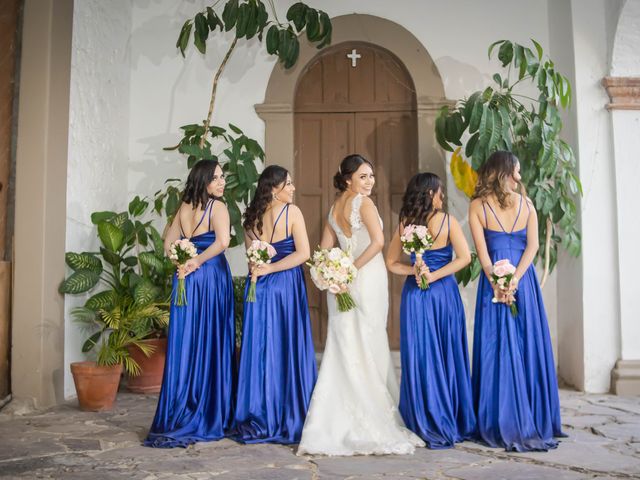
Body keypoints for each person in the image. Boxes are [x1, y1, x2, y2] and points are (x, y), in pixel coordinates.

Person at [298, 154, 424, 456]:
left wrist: (330, 274)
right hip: (364, 276)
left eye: (371, 176)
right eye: (363, 176)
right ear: (347, 179)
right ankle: (374, 414)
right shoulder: (364, 204)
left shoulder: (332, 210)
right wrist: (350, 269)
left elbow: (323, 251)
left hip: (341, 281)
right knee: (367, 341)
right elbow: (379, 242)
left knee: (345, 345)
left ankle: (333, 420)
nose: (370, 182)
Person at [468, 150, 565, 451]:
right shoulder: (528, 205)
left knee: (496, 347)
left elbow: (484, 253)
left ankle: (497, 418)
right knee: (525, 343)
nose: (520, 178)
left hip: (495, 284)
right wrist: (515, 280)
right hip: (522, 285)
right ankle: (530, 415)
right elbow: (532, 248)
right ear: (503, 174)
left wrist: (499, 281)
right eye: (516, 172)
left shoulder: (477, 207)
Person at [145, 159, 234, 448]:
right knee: (212, 339)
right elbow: (222, 242)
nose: (222, 182)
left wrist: (181, 263)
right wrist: (195, 261)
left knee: (189, 340)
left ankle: (182, 407)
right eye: (216, 178)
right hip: (210, 276)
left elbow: (168, 243)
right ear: (203, 180)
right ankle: (209, 410)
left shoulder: (183, 207)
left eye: (222, 177)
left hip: (187, 279)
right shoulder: (217, 207)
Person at [386, 172, 476, 448]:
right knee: (430, 354)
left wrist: (425, 274)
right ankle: (440, 416)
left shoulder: (416, 222)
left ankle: (429, 416)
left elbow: (464, 258)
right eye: (439, 192)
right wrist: (417, 270)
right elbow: (463, 258)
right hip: (433, 294)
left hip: (428, 294)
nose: (442, 196)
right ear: (428, 194)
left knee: (434, 353)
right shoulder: (416, 223)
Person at [230, 165, 317, 444]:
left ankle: (260, 410)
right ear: (273, 189)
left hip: (259, 288)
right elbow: (303, 254)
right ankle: (289, 412)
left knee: (263, 348)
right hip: (285, 285)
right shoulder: (292, 212)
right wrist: (274, 268)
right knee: (286, 346)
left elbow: (252, 260)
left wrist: (264, 269)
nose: (292, 188)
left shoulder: (250, 220)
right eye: (288, 184)